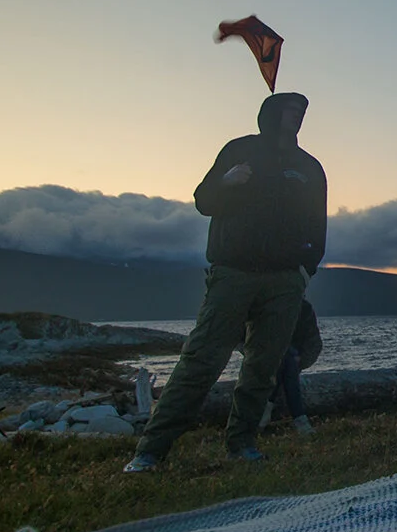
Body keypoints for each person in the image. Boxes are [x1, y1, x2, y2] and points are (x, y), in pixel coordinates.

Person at [125, 92, 325, 472]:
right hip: (233, 272)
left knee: (263, 367)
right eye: (289, 110)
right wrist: (229, 182)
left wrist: (305, 269)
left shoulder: (309, 167)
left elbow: (319, 223)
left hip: (284, 279)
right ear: (271, 113)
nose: (296, 117)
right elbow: (204, 201)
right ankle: (151, 449)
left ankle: (242, 442)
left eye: (302, 112)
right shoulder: (239, 151)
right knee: (202, 358)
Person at [261, 298, 322, 436]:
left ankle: (266, 409)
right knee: (286, 355)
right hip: (268, 360)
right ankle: (300, 419)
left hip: (292, 361)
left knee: (288, 357)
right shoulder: (265, 304)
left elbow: (314, 343)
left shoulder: (304, 308)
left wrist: (301, 361)